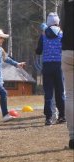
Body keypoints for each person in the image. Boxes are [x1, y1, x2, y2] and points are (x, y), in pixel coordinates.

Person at [35, 12, 66, 126]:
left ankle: (48, 118)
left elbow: (38, 51)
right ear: (58, 22)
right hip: (59, 66)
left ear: (48, 23)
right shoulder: (62, 34)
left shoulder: (43, 35)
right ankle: (62, 116)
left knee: (48, 93)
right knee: (60, 91)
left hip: (47, 66)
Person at [61, 0, 73, 149]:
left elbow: (62, 27)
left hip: (67, 51)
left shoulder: (66, 4)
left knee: (70, 94)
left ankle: (73, 137)